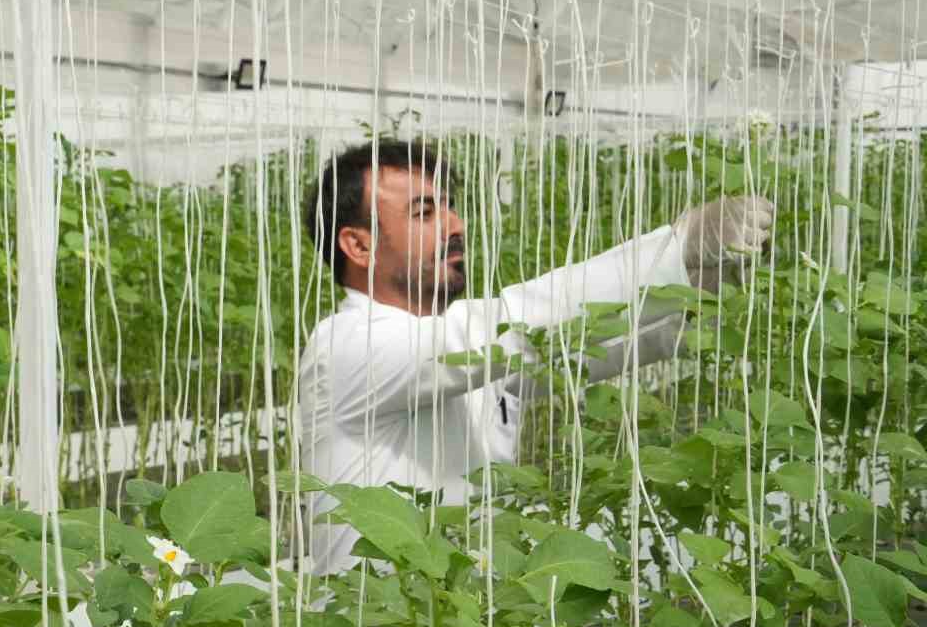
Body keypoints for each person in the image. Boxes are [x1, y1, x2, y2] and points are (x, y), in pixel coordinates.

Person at [296, 137, 773, 574]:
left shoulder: (465, 353)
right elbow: (513, 328)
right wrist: (673, 249)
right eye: (424, 213)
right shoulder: (347, 346)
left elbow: (583, 349)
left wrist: (697, 292)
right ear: (358, 245)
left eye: (450, 207)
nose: (456, 226)